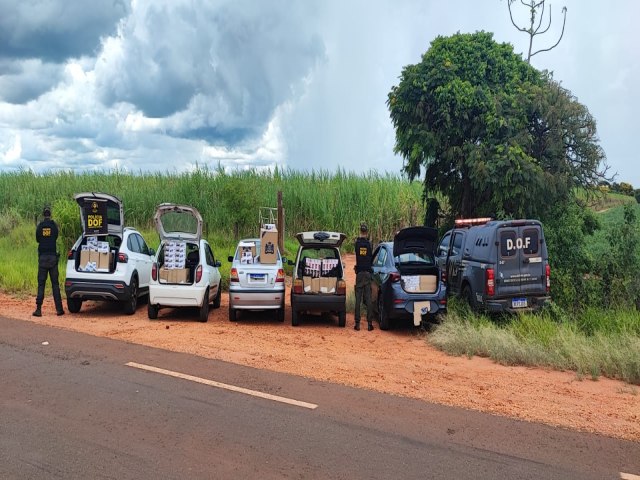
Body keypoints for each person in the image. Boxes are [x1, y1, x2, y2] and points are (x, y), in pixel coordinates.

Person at [34, 206, 64, 317]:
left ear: (43, 214)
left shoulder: (40, 226)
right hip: (52, 259)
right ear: (50, 214)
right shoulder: (54, 226)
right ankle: (59, 309)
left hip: (42, 259)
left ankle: (38, 310)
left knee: (41, 284)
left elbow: (37, 239)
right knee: (55, 284)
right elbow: (55, 237)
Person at [354, 222, 374, 331]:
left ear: (360, 231)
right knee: (368, 298)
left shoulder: (357, 243)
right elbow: (370, 257)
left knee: (358, 299)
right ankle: (369, 324)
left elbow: (358, 254)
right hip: (367, 273)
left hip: (359, 273)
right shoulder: (369, 244)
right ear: (367, 232)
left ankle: (357, 324)